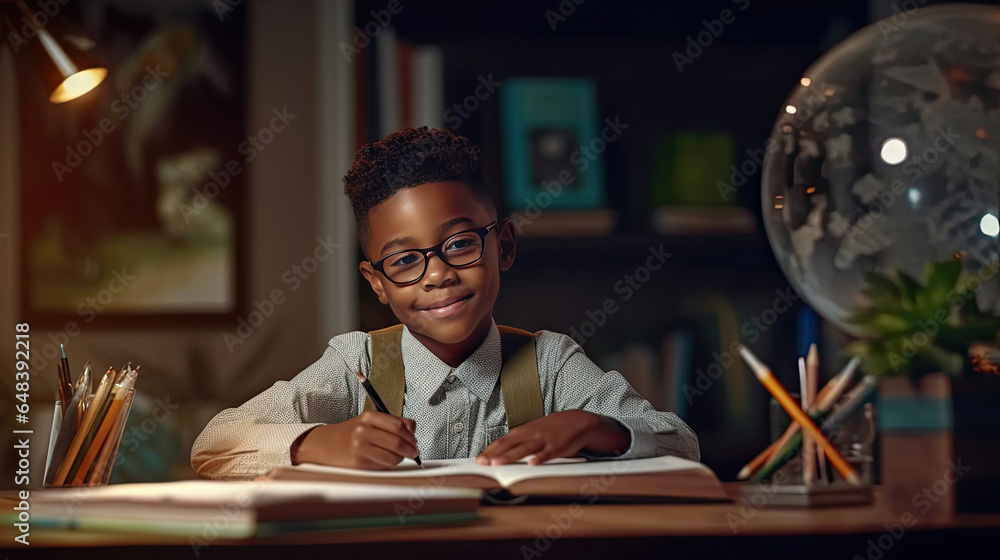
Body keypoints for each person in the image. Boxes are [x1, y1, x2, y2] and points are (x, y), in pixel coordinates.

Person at [191, 127, 698, 480]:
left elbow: (680, 443)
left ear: (504, 246)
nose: (437, 274)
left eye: (459, 244)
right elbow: (214, 445)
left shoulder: (552, 364)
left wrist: (593, 427)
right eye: (406, 260)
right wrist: (320, 443)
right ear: (377, 283)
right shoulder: (356, 364)